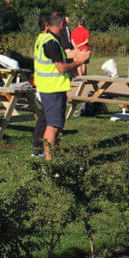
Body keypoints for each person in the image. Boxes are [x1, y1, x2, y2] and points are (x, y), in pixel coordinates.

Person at [34, 13, 90, 160]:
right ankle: (49, 161)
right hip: (52, 89)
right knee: (53, 126)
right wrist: (79, 61)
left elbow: (62, 56)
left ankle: (53, 156)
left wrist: (77, 54)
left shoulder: (46, 39)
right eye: (64, 25)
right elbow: (61, 68)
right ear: (60, 24)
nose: (66, 28)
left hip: (49, 88)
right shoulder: (50, 42)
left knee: (55, 125)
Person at [32, 12, 51, 158]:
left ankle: (40, 147)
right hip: (45, 85)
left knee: (44, 117)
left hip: (43, 84)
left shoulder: (40, 39)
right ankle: (39, 149)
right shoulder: (45, 40)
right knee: (45, 118)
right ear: (46, 26)